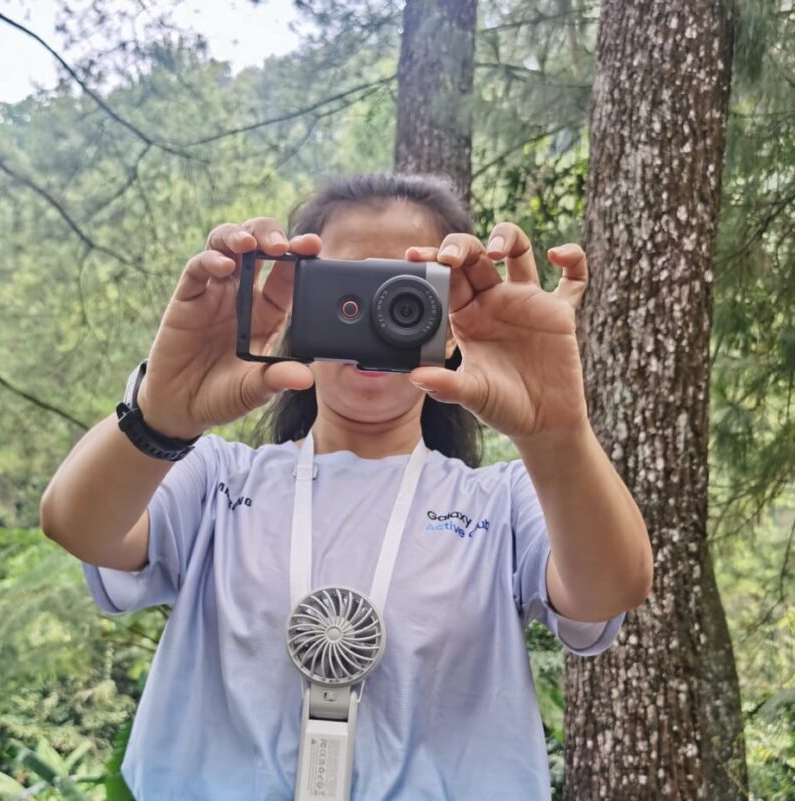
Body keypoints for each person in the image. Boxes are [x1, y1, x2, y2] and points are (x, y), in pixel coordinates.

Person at [40, 173, 653, 800]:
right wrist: (160, 415)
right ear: (297, 309)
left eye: (407, 294)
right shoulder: (217, 479)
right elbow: (76, 524)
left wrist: (557, 434)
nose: (377, 316)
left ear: (451, 325)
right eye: (347, 292)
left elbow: (611, 587)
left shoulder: (499, 502)